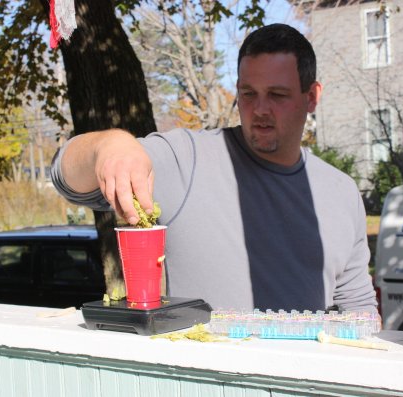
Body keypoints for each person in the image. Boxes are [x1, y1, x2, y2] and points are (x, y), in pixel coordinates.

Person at [51, 23, 378, 313]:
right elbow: (65, 176)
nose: (260, 109)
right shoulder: (187, 158)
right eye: (248, 94)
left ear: (312, 97)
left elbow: (359, 309)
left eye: (277, 95)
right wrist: (109, 146)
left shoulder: (341, 191)